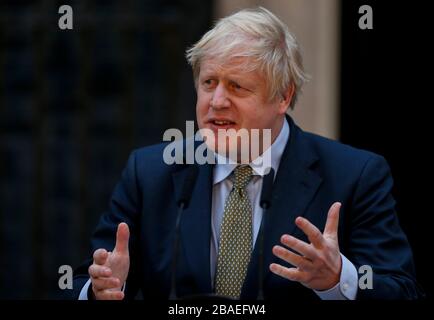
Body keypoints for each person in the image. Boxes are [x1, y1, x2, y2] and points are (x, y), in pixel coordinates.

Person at [71, 7, 423, 300]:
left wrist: (338, 278)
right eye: (209, 83)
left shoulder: (355, 175)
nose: (217, 101)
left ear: (283, 97)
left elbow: (402, 290)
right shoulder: (150, 173)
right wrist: (98, 291)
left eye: (237, 86)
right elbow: (83, 282)